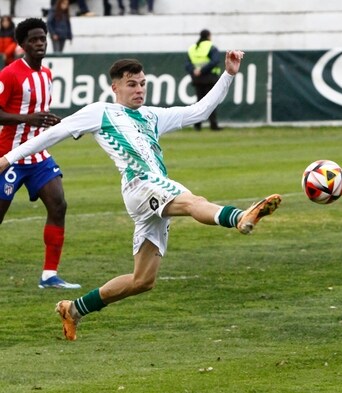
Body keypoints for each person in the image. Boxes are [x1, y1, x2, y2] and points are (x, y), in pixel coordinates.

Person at [0, 52, 282, 340]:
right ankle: (238, 217)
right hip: (140, 185)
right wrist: (8, 159)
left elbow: (201, 111)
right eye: (132, 84)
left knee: (143, 280)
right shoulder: (100, 111)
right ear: (116, 88)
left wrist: (229, 74)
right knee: (193, 201)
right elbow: (52, 135)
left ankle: (73, 310)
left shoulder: (152, 115)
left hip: (153, 188)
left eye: (142, 84)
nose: (139, 90)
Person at [0, 18, 80, 289]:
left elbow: (39, 114)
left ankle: (49, 275)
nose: (40, 43)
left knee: (59, 205)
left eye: (42, 38)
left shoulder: (46, 75)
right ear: (22, 44)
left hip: (38, 156)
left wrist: (50, 121)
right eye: (33, 39)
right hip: (9, 156)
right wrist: (27, 118)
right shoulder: (9, 74)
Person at [185, 29, 223, 131]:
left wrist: (195, 71)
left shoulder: (193, 48)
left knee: (199, 102)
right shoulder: (211, 47)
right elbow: (215, 61)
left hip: (197, 79)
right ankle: (213, 125)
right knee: (211, 102)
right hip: (209, 78)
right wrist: (203, 70)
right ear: (209, 36)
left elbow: (187, 64)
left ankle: (197, 125)